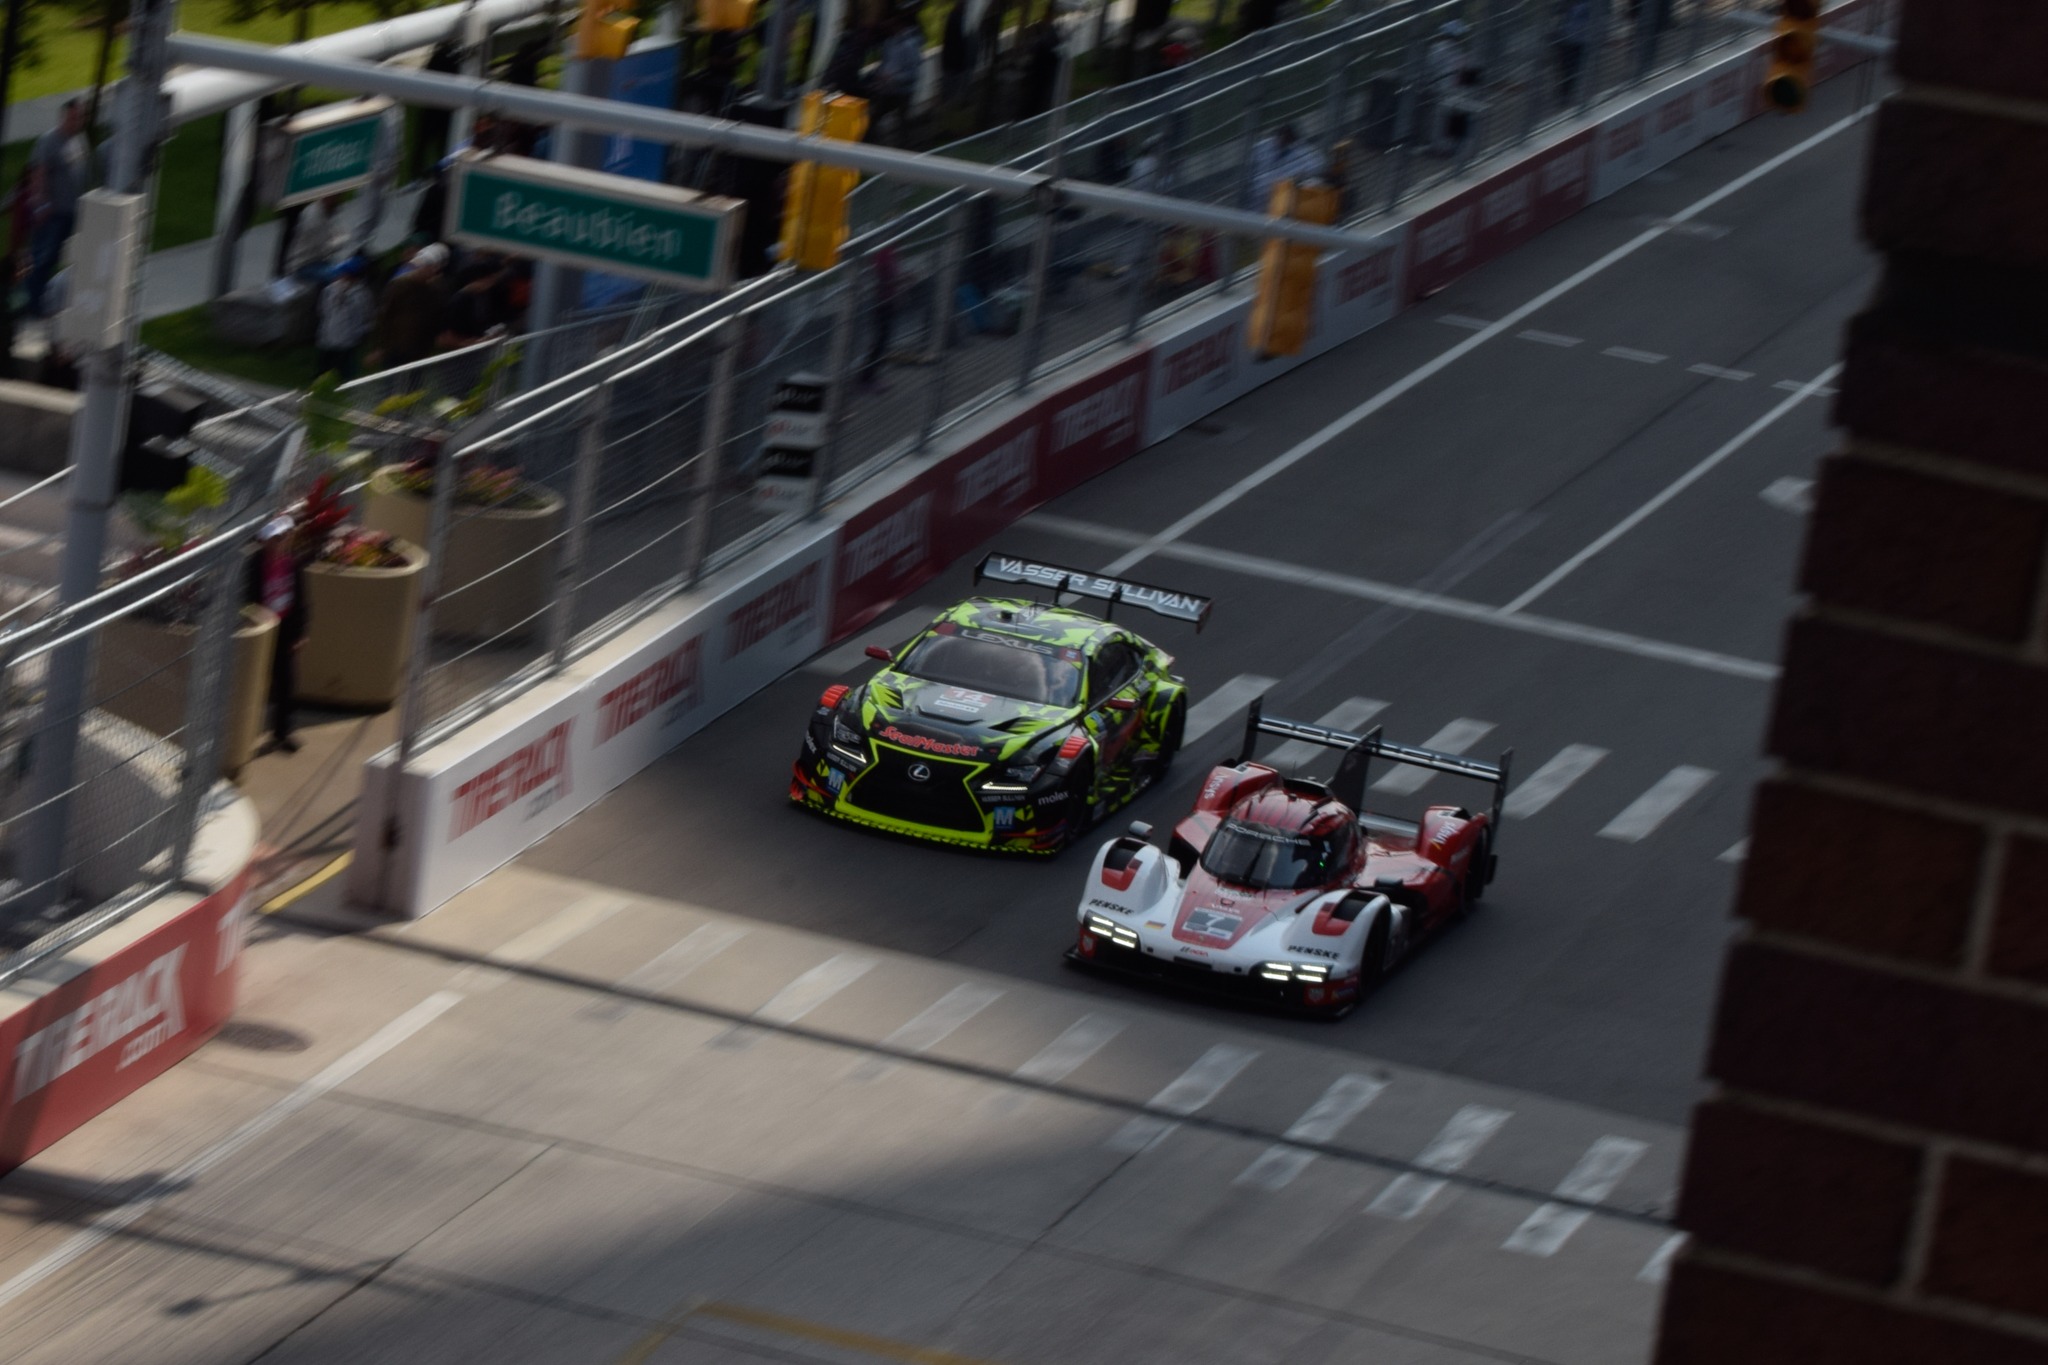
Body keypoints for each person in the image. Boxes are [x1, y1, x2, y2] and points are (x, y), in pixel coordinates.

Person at [27, 99, 96, 318]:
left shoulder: (79, 140)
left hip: (73, 212)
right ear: (64, 117)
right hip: (53, 214)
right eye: (74, 117)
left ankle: (54, 303)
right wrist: (41, 203)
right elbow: (38, 173)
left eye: (81, 117)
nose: (78, 121)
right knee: (42, 259)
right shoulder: (49, 141)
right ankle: (33, 307)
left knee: (66, 259)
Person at [247, 516, 310, 754]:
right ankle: (248, 734)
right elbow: (247, 598)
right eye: (275, 538)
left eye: (283, 537)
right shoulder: (253, 565)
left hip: (285, 630)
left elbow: (301, 600)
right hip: (261, 630)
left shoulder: (293, 564)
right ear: (264, 541)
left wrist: (301, 633)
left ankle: (282, 733)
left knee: (286, 684)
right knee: (255, 682)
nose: (280, 542)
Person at [370, 241, 449, 369]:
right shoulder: (398, 285)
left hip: (419, 349)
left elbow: (436, 316)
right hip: (395, 348)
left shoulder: (435, 289)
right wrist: (380, 347)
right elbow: (385, 316)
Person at [1423, 20, 1478, 157]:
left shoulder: (1440, 49)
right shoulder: (1451, 50)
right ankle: (1448, 148)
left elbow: (1429, 69)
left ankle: (1442, 148)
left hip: (1445, 90)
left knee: (1442, 119)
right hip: (1450, 90)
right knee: (1448, 119)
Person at [316, 256, 375, 379]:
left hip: (348, 339)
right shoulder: (330, 290)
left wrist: (360, 333)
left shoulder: (361, 294)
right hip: (327, 336)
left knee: (345, 369)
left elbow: (364, 316)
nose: (339, 277)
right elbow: (323, 310)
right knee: (325, 368)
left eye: (343, 274)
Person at [871, 16, 926, 142]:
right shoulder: (889, 43)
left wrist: (893, 78)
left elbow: (913, 73)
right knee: (876, 116)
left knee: (902, 121)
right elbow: (885, 63)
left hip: (903, 90)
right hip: (888, 89)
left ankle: (904, 144)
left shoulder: (910, 45)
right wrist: (879, 75)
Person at [1248, 124, 1323, 211]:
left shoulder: (1304, 154)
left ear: (1292, 139)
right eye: (1280, 137)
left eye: (1286, 138)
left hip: (1283, 197)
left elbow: (1317, 166)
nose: (1282, 140)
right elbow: (1251, 162)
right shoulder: (1264, 146)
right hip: (1258, 193)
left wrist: (1299, 177)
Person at [858, 244, 901, 390]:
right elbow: (883, 278)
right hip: (882, 303)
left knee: (881, 341)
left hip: (887, 302)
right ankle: (867, 378)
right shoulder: (884, 253)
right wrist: (902, 280)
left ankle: (869, 376)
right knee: (880, 342)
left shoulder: (890, 251)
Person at [286, 193, 348, 280]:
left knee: (350, 269)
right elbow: (325, 248)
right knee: (340, 275)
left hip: (320, 260)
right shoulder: (313, 216)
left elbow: (338, 233)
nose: (339, 198)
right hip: (304, 264)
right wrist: (341, 240)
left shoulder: (328, 211)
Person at [1552, 0, 1594, 108]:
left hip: (1577, 41)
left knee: (1571, 69)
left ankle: (1566, 95)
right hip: (1567, 39)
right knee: (1565, 67)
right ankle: (1565, 93)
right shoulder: (1570, 4)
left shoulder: (1587, 5)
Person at [940, 1, 978, 107]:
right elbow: (956, 41)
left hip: (956, 61)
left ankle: (953, 103)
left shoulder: (958, 18)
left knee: (952, 86)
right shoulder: (956, 19)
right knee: (952, 86)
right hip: (955, 61)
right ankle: (952, 104)